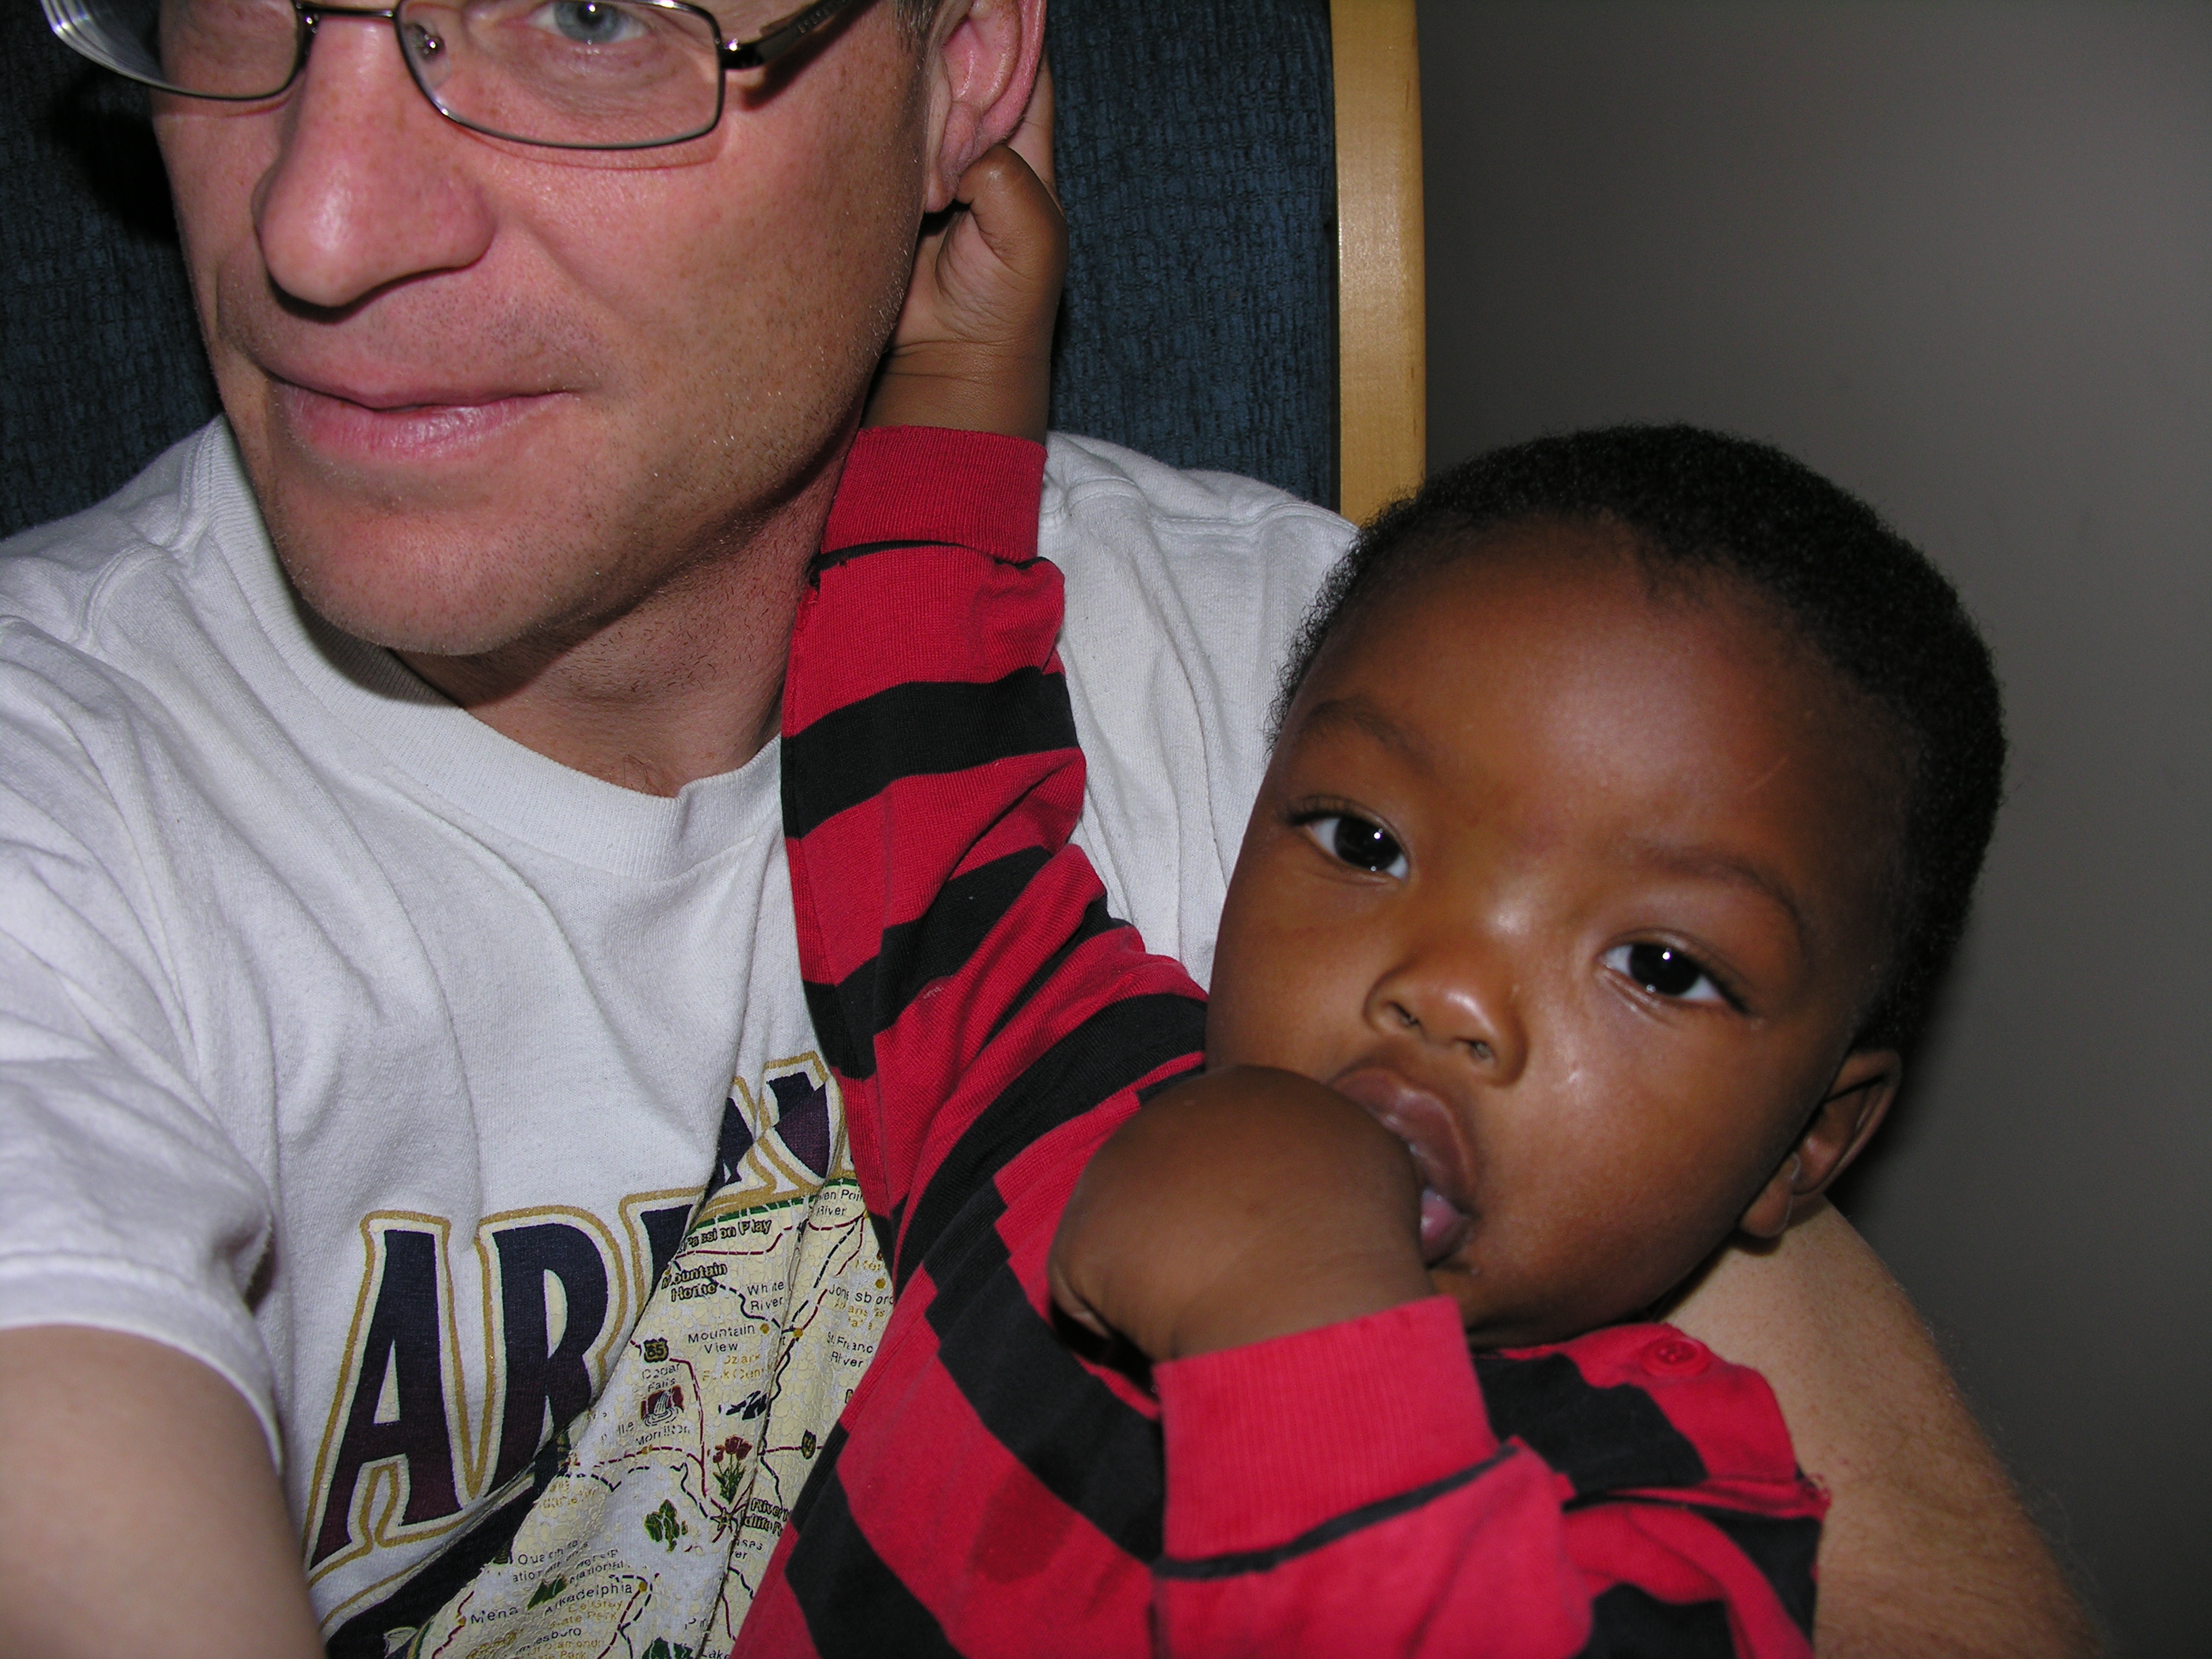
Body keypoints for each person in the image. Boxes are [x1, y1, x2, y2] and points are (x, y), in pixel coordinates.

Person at [0, 1, 2087, 1655]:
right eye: (1362, 848)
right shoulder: (1081, 1079)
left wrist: (1304, 1347)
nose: (315, 228)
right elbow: (928, 792)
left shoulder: (1681, 1516)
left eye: (594, 8)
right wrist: (957, 409)